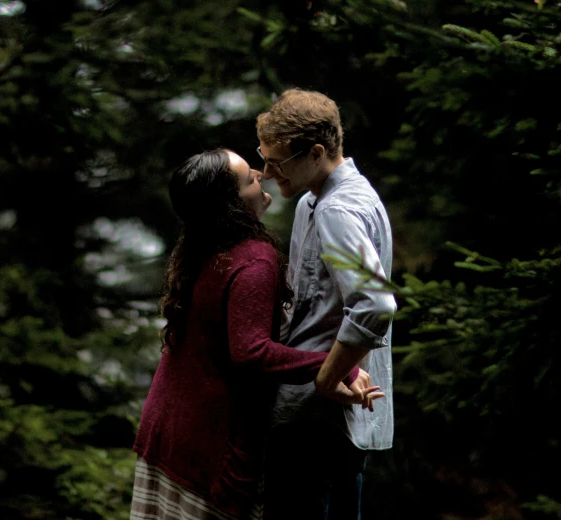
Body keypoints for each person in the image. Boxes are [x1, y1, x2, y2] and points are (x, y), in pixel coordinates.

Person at [130, 149, 384, 520]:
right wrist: (338, 366)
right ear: (231, 203)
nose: (260, 174)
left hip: (166, 430)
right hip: (205, 444)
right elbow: (251, 352)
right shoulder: (253, 260)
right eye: (247, 177)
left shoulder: (205, 244)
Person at [256, 89, 397, 520]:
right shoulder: (312, 203)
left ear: (316, 153)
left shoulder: (338, 209)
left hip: (317, 425)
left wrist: (326, 378)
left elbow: (374, 302)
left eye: (276, 163)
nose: (264, 173)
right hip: (318, 418)